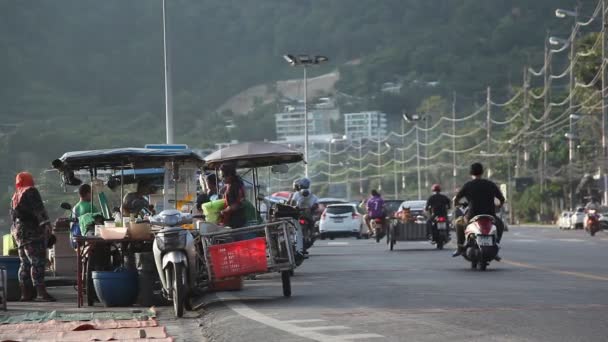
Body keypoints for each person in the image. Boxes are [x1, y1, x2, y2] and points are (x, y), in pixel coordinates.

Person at [9, 172, 56, 302]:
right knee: (38, 262)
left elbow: (12, 217)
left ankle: (25, 294)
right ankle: (41, 293)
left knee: (24, 263)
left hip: (19, 233)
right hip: (32, 233)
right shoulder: (31, 191)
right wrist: (46, 225)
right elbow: (39, 209)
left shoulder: (15, 196)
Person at [452, 163, 505, 258]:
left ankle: (460, 247)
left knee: (458, 223)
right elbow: (502, 199)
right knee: (500, 224)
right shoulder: (490, 184)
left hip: (471, 216)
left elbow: (456, 199)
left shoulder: (468, 185)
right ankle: (495, 244)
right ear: (482, 172)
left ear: (470, 173)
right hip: (489, 216)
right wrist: (499, 205)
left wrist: (457, 204)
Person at [219, 163, 247, 228]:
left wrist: (224, 211)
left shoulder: (236, 186)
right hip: (230, 220)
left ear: (230, 175)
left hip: (236, 222)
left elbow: (237, 204)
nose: (222, 179)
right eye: (221, 177)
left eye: (223, 176)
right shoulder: (230, 183)